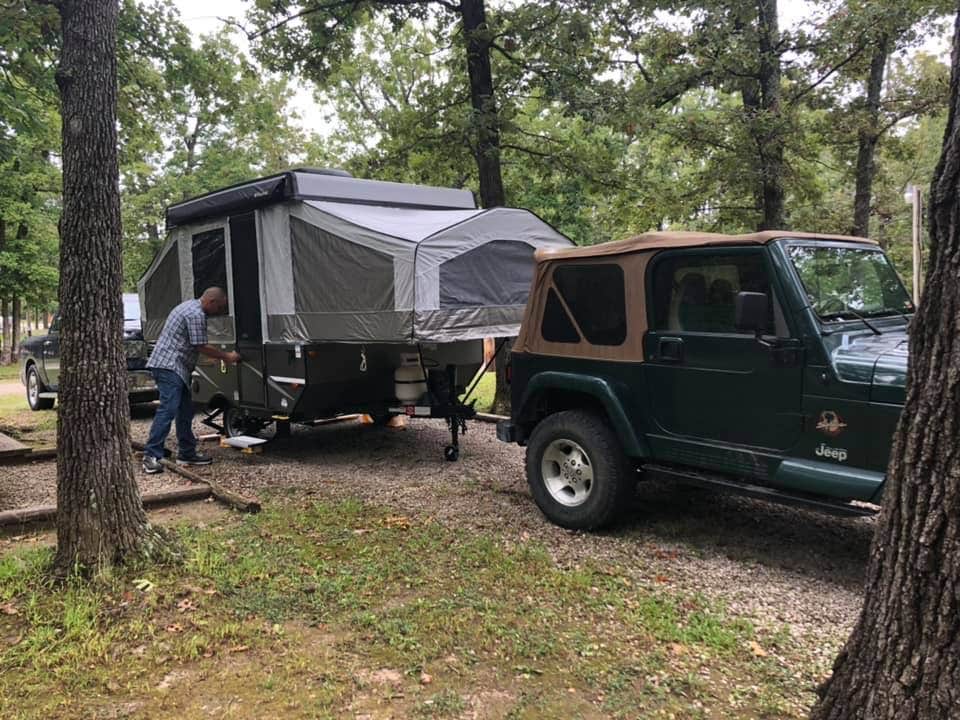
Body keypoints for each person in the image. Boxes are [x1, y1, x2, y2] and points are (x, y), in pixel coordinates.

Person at [142, 287, 240, 474]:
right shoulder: (196, 314)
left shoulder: (187, 306)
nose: (219, 312)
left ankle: (187, 453)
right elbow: (200, 345)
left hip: (175, 367)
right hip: (169, 366)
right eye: (219, 307)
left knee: (185, 410)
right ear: (211, 302)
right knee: (168, 409)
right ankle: (151, 455)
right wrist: (227, 356)